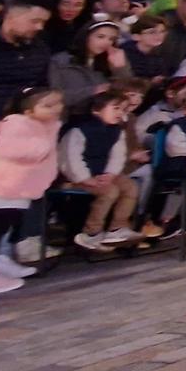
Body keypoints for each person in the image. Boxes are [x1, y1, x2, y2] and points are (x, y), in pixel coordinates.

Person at [0, 86, 63, 293]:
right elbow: (5, 147)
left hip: (17, 190)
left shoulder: (45, 125)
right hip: (2, 188)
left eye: (58, 104)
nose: (56, 109)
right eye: (48, 106)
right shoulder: (17, 123)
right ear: (28, 110)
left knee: (2, 230)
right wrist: (41, 147)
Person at [58, 89, 142, 251]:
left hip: (102, 174)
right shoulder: (80, 130)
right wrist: (84, 178)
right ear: (96, 110)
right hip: (74, 178)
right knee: (110, 191)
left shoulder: (117, 131)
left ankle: (117, 228)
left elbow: (117, 155)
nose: (120, 113)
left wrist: (110, 174)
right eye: (115, 108)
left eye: (123, 109)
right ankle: (92, 232)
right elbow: (70, 157)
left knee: (130, 187)